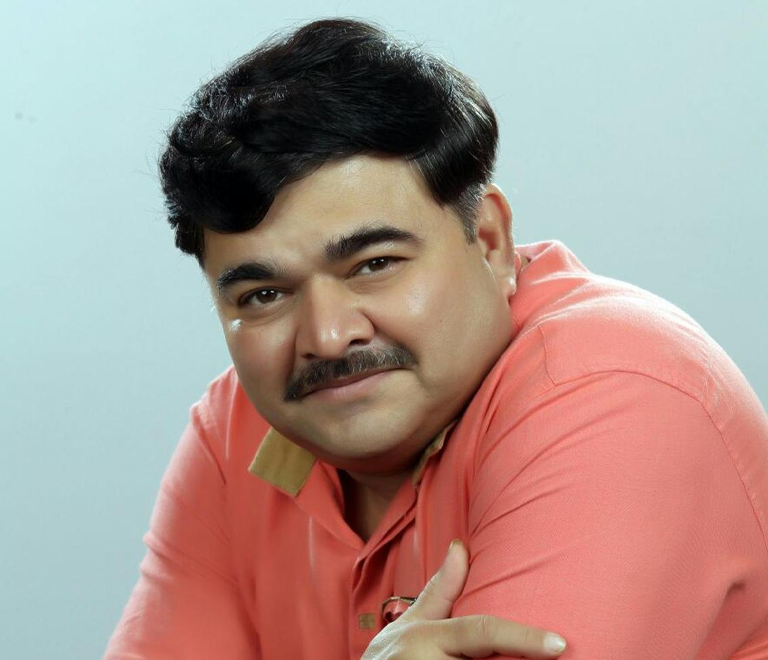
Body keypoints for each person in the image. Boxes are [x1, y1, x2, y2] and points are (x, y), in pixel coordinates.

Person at [104, 18, 768, 660]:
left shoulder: (614, 391)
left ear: (490, 241)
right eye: (264, 296)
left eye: (374, 264)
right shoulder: (238, 430)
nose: (328, 338)